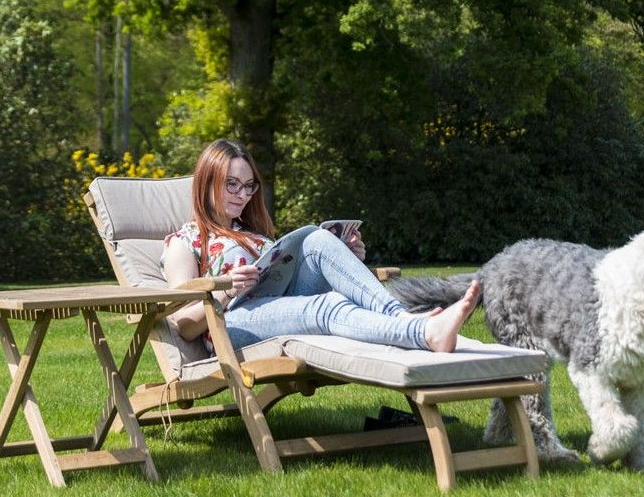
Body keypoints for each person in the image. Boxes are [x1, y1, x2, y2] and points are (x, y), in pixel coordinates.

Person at [161, 138, 479, 353]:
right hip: (231, 325)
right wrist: (226, 290)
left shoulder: (252, 232)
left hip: (280, 307)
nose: (242, 194)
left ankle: (402, 317)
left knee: (317, 238)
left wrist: (346, 256)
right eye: (231, 184)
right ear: (207, 182)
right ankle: (423, 334)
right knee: (325, 307)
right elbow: (182, 324)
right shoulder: (186, 241)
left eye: (248, 186)